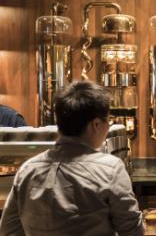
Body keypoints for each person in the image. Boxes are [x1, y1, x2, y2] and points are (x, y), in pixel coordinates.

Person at [0, 81, 144, 236]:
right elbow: (132, 231)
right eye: (107, 121)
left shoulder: (27, 170)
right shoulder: (110, 168)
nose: (108, 126)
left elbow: (9, 230)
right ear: (95, 124)